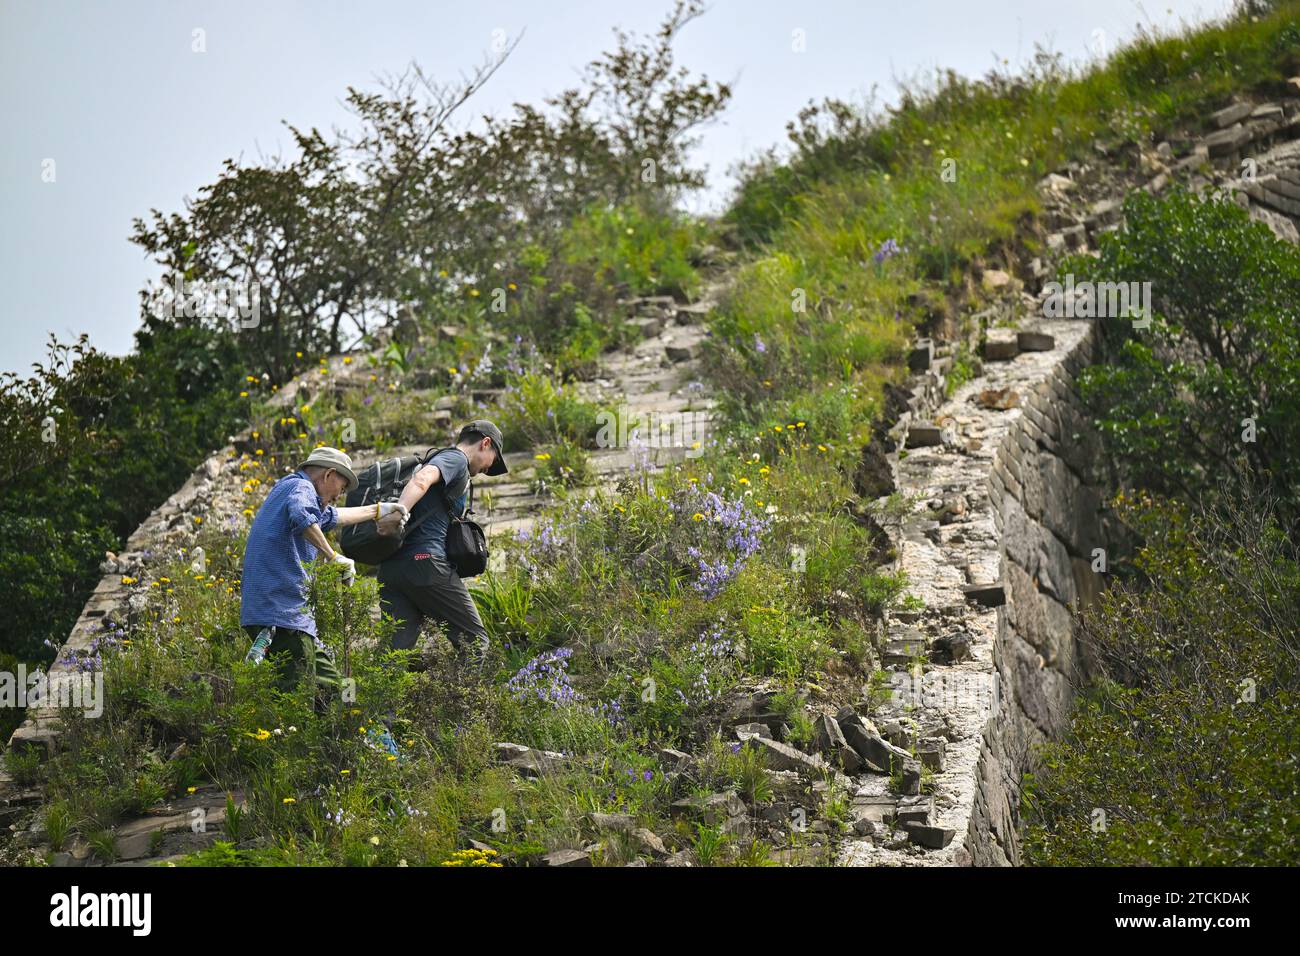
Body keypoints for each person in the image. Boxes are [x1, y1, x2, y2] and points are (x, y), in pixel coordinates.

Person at [240, 447, 408, 702]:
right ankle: (291, 738)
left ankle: (340, 735)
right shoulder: (301, 489)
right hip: (282, 616)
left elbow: (333, 516)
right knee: (297, 696)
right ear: (329, 474)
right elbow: (302, 515)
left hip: (280, 616)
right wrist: (333, 556)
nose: (340, 496)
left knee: (332, 692)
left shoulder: (287, 489)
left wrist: (378, 510)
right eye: (341, 488)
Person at [377, 420, 508, 670]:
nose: (487, 469)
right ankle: (464, 707)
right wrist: (397, 513)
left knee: (392, 657)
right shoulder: (456, 459)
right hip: (426, 564)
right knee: (475, 643)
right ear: (485, 443)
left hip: (392, 570)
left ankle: (377, 710)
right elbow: (421, 480)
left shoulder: (439, 459)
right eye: (493, 460)